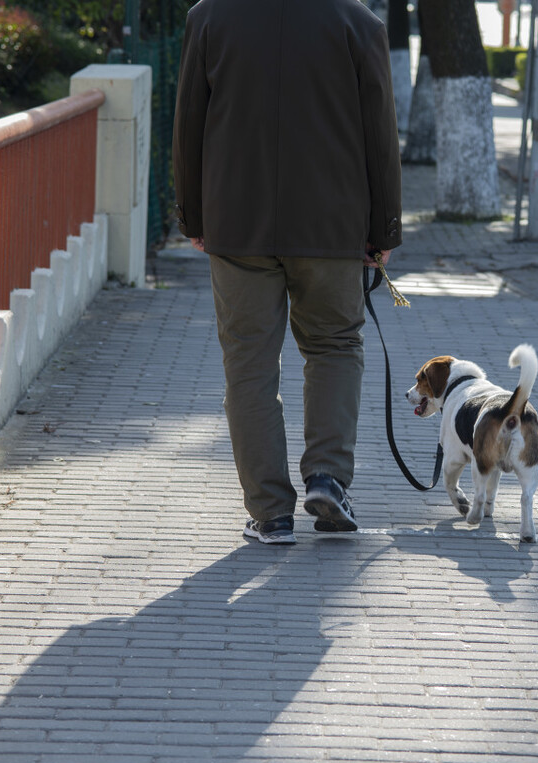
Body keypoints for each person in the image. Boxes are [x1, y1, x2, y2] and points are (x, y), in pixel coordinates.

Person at [172, 0, 402, 545]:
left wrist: (193, 217)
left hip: (238, 223)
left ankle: (270, 512)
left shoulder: (209, 17)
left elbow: (189, 124)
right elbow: (380, 134)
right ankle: (327, 478)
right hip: (331, 225)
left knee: (248, 362)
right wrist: (383, 230)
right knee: (335, 346)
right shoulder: (358, 22)